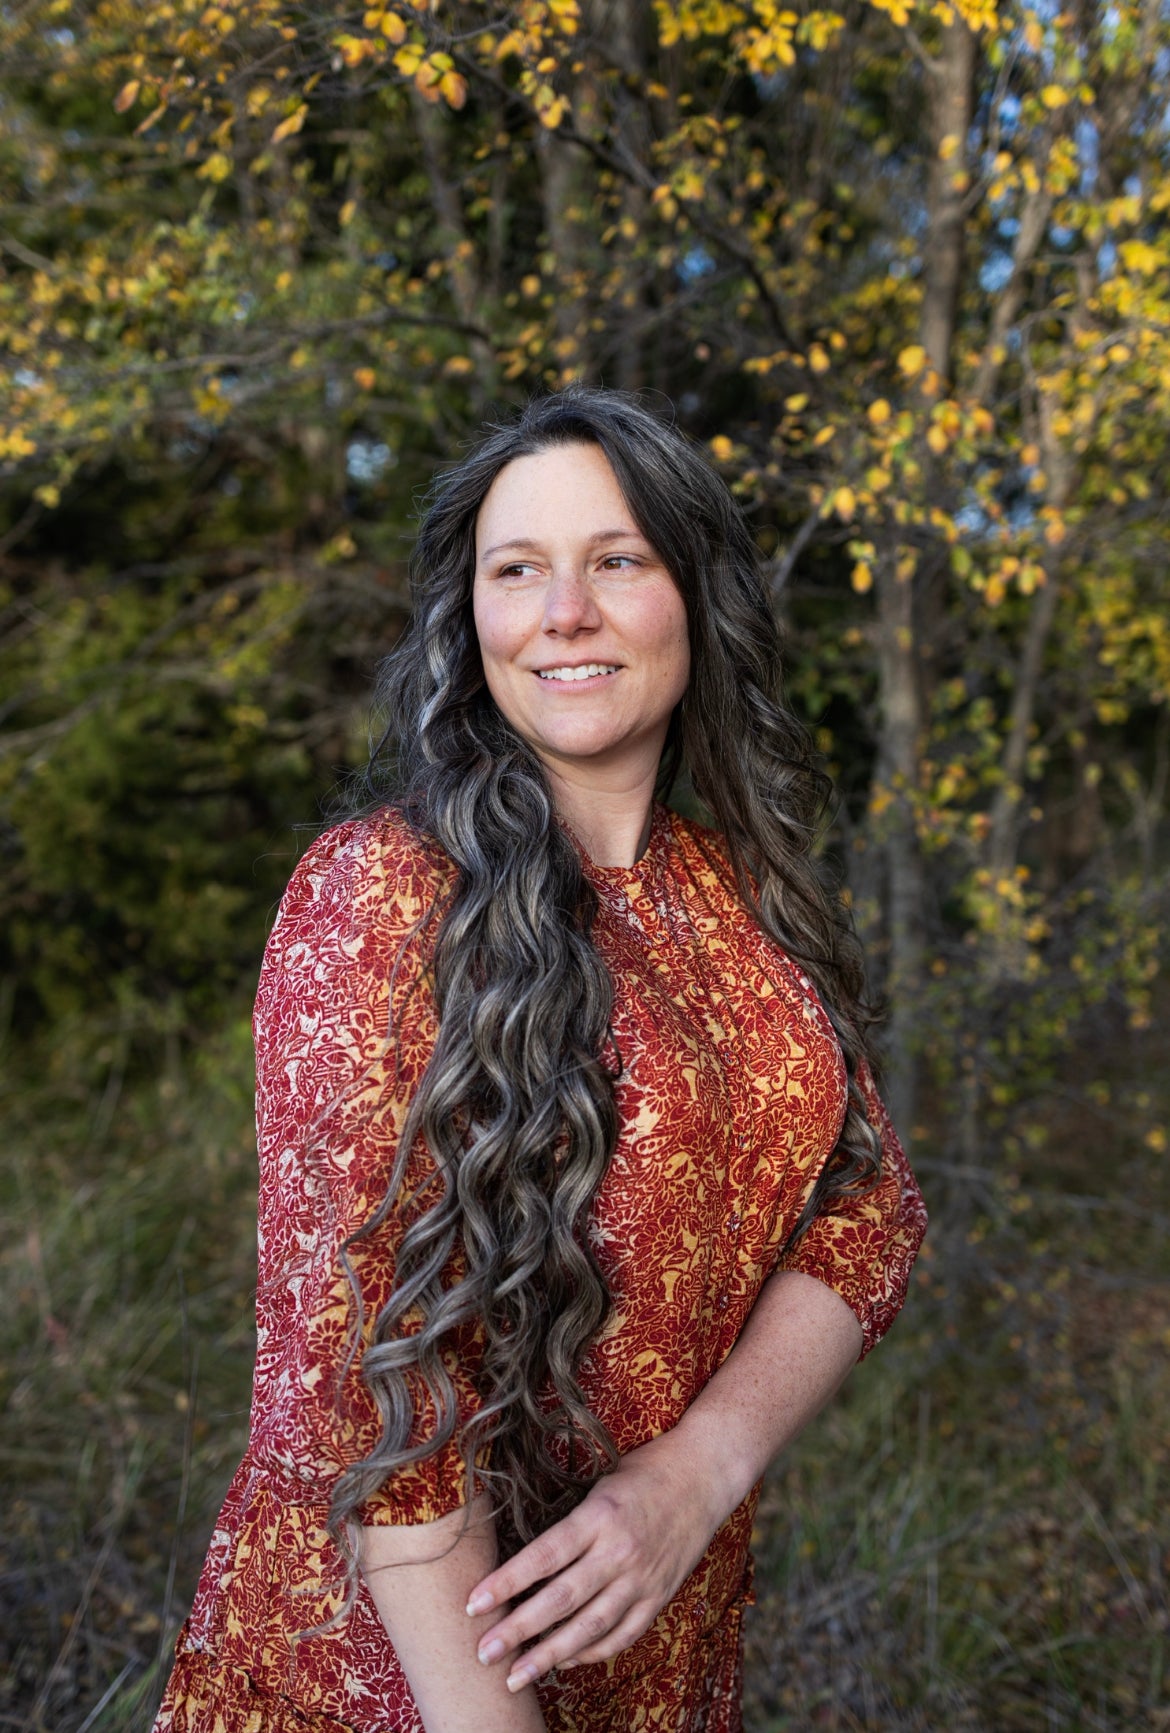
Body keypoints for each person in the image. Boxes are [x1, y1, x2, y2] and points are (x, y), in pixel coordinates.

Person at [153, 386, 927, 1733]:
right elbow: (356, 1391)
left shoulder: (736, 894)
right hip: (407, 1673)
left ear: (694, 594)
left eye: (614, 559)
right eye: (517, 570)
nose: (562, 610)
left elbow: (870, 1214)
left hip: (659, 1647)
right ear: (473, 619)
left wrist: (699, 1470)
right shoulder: (382, 894)